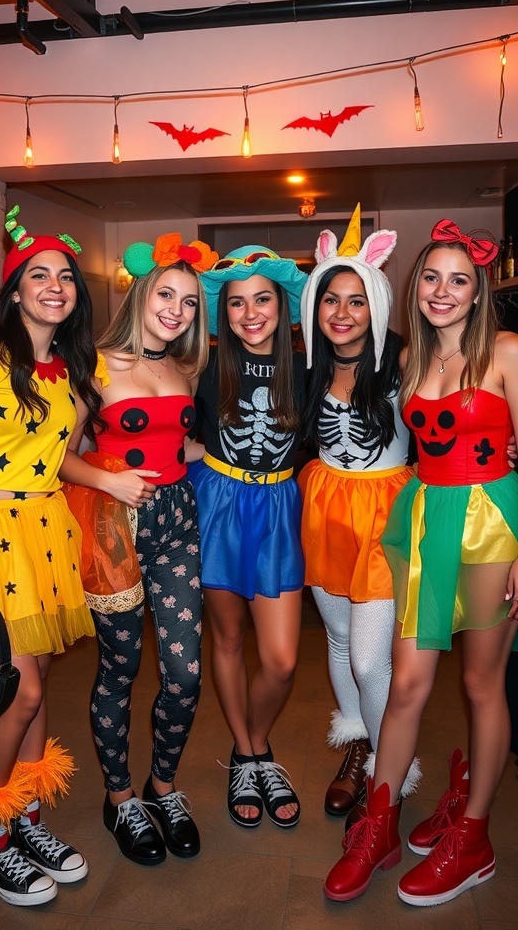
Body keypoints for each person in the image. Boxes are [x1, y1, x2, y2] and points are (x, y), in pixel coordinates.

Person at [324, 219, 518, 907]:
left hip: (493, 527)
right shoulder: (411, 362)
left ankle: (473, 838)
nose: (442, 292)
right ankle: (379, 823)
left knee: (480, 685)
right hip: (426, 521)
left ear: (478, 293)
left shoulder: (507, 351)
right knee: (405, 683)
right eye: (431, 278)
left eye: (458, 280)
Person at [0, 206, 100, 906]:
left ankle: (24, 816)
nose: (54, 285)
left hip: (45, 532)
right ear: (14, 290)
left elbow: (58, 459)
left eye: (64, 276)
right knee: (22, 691)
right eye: (38, 274)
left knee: (36, 690)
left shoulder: (65, 367)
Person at [61, 234, 216, 865]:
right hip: (114, 529)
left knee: (185, 674)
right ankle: (121, 796)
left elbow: (178, 447)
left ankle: (163, 786)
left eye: (187, 300)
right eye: (166, 294)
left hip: (177, 520)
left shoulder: (185, 366)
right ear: (140, 292)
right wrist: (109, 480)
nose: (176, 309)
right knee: (120, 671)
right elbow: (58, 457)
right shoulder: (93, 366)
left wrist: (240, 466)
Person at [298, 205, 419, 824]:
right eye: (329, 300)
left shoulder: (403, 362)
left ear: (375, 302)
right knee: (342, 640)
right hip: (325, 510)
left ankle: (387, 778)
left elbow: (454, 410)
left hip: (386, 516)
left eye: (355, 300)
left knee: (373, 657)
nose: (341, 313)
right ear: (314, 308)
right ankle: (362, 746)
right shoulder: (309, 368)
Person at [188, 247, 307, 829]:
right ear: (222, 312)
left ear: (283, 307)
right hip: (219, 504)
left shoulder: (308, 370)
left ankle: (252, 744)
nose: (249, 312)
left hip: (279, 509)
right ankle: (250, 756)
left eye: (262, 298)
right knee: (229, 637)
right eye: (236, 302)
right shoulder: (202, 368)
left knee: (282, 660)